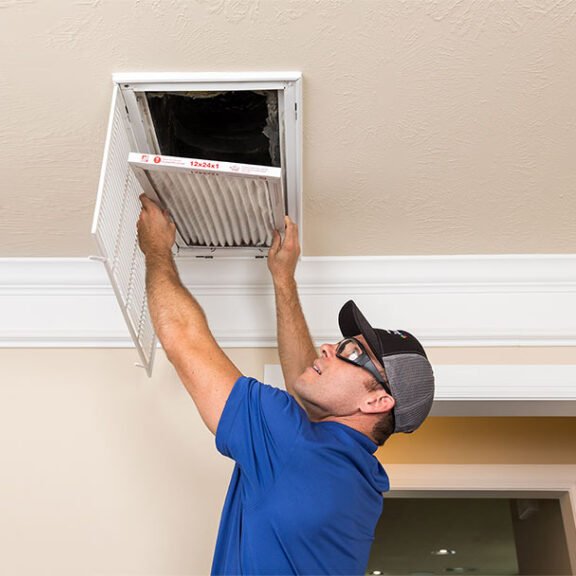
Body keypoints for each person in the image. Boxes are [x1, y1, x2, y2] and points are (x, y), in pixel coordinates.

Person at [135, 194, 436, 574]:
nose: (330, 347)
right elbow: (305, 386)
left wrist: (156, 249)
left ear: (377, 401)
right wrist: (283, 280)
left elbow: (182, 338)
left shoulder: (297, 449)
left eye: (353, 354)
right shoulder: (361, 480)